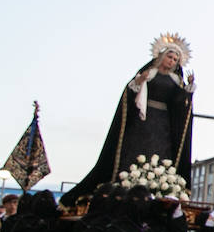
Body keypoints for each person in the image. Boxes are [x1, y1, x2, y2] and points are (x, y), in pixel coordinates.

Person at [64, 33, 196, 205]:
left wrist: (188, 89)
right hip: (143, 120)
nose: (172, 61)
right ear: (162, 56)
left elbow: (181, 104)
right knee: (134, 151)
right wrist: (138, 82)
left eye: (175, 59)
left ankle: (158, 185)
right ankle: (127, 182)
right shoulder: (149, 73)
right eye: (169, 57)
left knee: (161, 155)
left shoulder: (176, 80)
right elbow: (131, 94)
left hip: (163, 125)